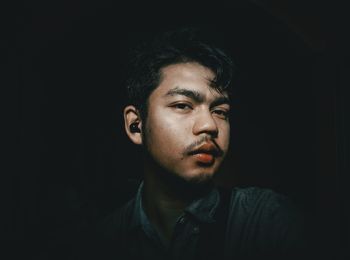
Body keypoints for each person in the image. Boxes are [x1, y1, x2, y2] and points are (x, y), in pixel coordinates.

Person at [94, 27, 308, 260]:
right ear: (136, 125)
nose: (210, 125)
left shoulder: (265, 220)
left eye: (220, 111)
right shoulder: (101, 240)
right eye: (183, 105)